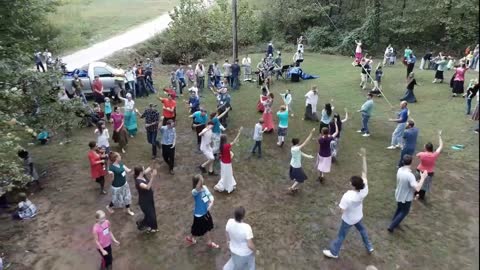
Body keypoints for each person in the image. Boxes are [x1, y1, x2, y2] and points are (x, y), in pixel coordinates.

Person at [323, 148, 374, 259]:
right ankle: (369, 246)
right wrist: (364, 157)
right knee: (362, 230)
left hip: (348, 219)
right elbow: (365, 172)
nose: (349, 182)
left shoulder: (347, 196)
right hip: (358, 216)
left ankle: (334, 252)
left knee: (341, 235)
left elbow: (342, 210)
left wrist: (335, 209)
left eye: (350, 182)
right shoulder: (364, 188)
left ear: (354, 186)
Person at [388, 155, 428, 233]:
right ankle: (391, 226)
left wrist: (417, 181)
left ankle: (394, 220)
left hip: (399, 194)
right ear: (411, 162)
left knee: (399, 208)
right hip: (406, 197)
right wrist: (423, 178)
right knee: (404, 211)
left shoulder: (400, 169)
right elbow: (417, 188)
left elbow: (409, 183)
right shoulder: (410, 175)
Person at [185, 174, 219, 249]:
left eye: (201, 181)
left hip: (205, 213)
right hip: (199, 215)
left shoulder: (204, 188)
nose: (201, 183)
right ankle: (206, 241)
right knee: (198, 229)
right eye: (199, 182)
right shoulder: (194, 191)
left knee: (205, 227)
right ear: (195, 183)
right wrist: (199, 190)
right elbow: (196, 192)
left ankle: (206, 241)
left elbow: (208, 197)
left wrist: (211, 202)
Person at [415, 130, 443, 201]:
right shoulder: (434, 155)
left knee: (418, 182)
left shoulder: (421, 154)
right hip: (429, 173)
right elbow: (441, 146)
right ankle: (421, 196)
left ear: (426, 148)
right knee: (425, 185)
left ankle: (416, 194)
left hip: (420, 170)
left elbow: (417, 155)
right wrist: (439, 136)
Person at [214, 127, 243, 193]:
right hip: (227, 164)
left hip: (223, 163)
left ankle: (225, 185)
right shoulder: (226, 146)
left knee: (224, 174)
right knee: (228, 174)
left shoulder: (221, 146)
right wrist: (239, 132)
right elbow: (234, 141)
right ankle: (223, 186)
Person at [288, 128, 316, 193]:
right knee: (300, 179)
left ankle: (293, 186)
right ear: (297, 143)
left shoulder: (293, 148)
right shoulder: (296, 148)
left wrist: (308, 156)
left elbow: (301, 153)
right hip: (296, 167)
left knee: (298, 177)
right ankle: (291, 188)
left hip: (292, 165)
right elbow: (305, 142)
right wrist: (311, 133)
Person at [134, 165, 158, 232]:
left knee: (149, 214)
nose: (145, 170)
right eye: (143, 169)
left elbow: (150, 167)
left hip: (149, 198)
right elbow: (147, 187)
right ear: (141, 172)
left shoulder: (142, 175)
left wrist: (154, 166)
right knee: (151, 215)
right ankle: (152, 228)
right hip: (145, 202)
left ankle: (142, 224)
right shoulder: (139, 182)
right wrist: (152, 177)